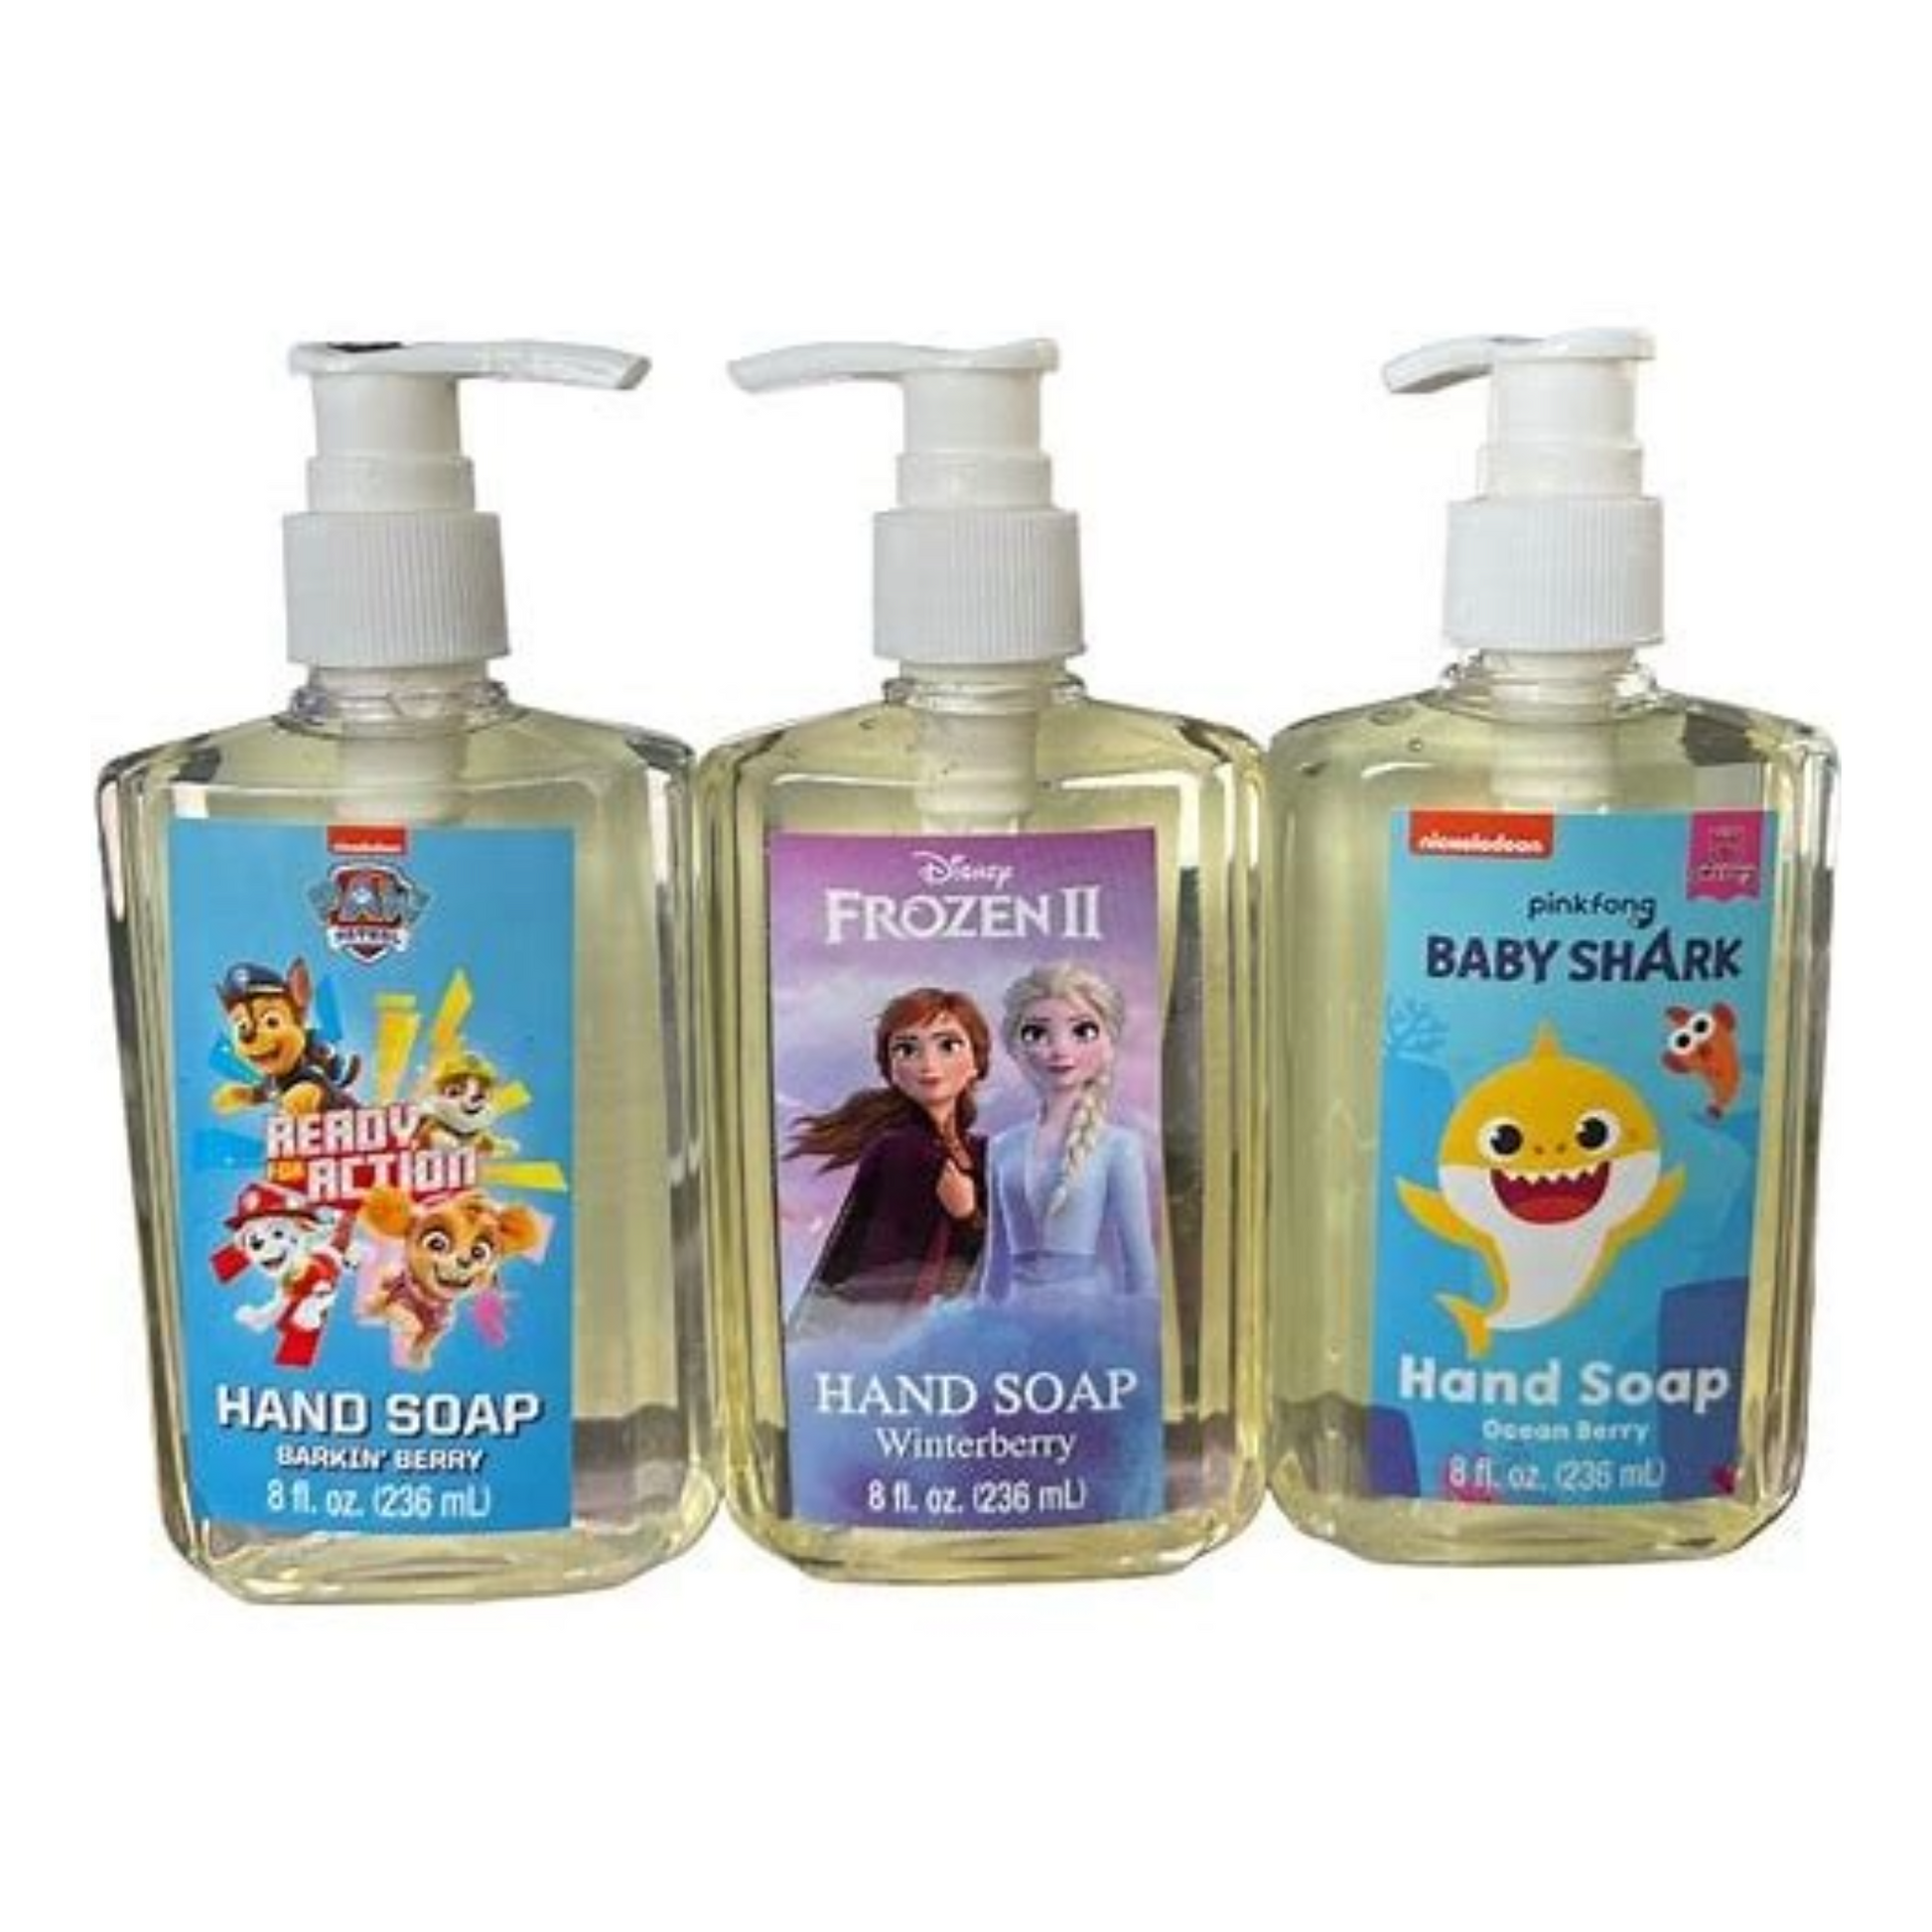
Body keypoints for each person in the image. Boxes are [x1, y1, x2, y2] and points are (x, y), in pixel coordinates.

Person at [785, 987, 992, 1328]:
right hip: (892, 1337)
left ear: (976, 1063)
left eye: (948, 1045)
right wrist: (967, 1218)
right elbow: (883, 1274)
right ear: (891, 1070)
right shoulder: (902, 1151)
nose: (928, 1064)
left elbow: (1002, 1264)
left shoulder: (984, 1153)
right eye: (907, 1049)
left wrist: (968, 1215)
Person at [979, 963, 1159, 1305]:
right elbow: (996, 1258)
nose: (1060, 1049)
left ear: (1109, 1043)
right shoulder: (1003, 1147)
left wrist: (1140, 1323)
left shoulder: (1119, 1146)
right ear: (1015, 1047)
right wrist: (982, 1319)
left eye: (1083, 1031)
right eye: (1036, 1033)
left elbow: (1139, 1263)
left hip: (1082, 1314)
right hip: (1013, 1315)